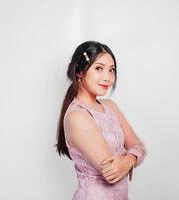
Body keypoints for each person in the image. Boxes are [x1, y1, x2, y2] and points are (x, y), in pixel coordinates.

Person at [55, 41, 147, 200]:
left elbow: (138, 145)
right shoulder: (77, 115)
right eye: (99, 68)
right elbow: (112, 171)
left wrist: (129, 159)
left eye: (111, 70)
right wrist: (132, 157)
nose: (108, 78)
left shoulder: (111, 106)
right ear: (80, 72)